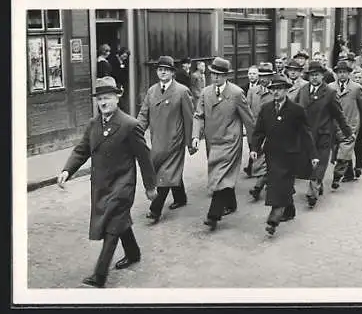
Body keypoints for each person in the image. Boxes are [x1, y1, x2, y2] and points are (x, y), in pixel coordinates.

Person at [57, 76, 157, 288]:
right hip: (101, 185)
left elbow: (144, 158)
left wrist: (150, 187)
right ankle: (133, 252)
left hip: (122, 185)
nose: (103, 103)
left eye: (108, 98)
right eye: (100, 99)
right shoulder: (94, 124)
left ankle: (99, 275)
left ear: (117, 98)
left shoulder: (130, 125)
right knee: (118, 221)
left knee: (112, 226)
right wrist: (67, 170)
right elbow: (82, 150)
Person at [191, 57, 255, 231]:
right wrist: (195, 136)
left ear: (226, 76)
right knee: (223, 175)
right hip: (213, 142)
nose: (215, 78)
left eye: (219, 75)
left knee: (220, 175)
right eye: (213, 74)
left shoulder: (236, 93)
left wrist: (253, 145)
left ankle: (213, 215)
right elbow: (198, 116)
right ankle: (231, 204)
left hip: (230, 141)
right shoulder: (205, 92)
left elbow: (249, 120)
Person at [250, 74, 318, 236]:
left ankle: (273, 219)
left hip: (290, 155)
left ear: (286, 90)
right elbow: (259, 131)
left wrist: (313, 154)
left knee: (281, 185)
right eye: (273, 89)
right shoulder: (266, 109)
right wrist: (254, 148)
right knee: (278, 184)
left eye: (279, 89)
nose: (276, 92)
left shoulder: (296, 110)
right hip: (272, 154)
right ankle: (289, 210)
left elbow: (306, 134)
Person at [136, 56, 194, 225]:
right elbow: (143, 114)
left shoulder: (182, 91)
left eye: (167, 70)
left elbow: (189, 118)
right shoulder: (151, 91)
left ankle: (155, 210)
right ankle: (180, 197)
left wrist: (191, 142)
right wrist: (136, 132)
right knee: (170, 171)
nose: (163, 72)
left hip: (175, 140)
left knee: (165, 174)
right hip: (157, 140)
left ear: (172, 73)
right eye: (160, 69)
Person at [295, 61, 354, 208]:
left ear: (322, 76)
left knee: (320, 163)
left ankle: (312, 192)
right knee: (309, 163)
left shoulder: (329, 93)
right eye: (311, 75)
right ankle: (318, 185)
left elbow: (339, 115)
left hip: (323, 134)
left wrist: (347, 132)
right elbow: (294, 110)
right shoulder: (302, 90)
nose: (314, 78)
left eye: (317, 75)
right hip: (306, 135)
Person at [328, 61, 362, 188]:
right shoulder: (330, 87)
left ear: (348, 74)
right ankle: (349, 174)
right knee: (337, 150)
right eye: (339, 73)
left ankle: (337, 176)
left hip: (351, 123)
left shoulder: (356, 88)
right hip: (334, 124)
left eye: (344, 72)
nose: (342, 75)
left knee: (345, 151)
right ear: (336, 74)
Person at [246, 62, 275, 197]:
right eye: (261, 76)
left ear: (271, 77)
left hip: (273, 131)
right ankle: (263, 184)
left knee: (269, 159)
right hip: (256, 131)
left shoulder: (276, 92)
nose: (263, 79)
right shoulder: (253, 91)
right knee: (259, 158)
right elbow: (247, 109)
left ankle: (258, 187)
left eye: (266, 76)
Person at [110, 47, 130, 112]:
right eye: (124, 56)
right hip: (115, 83)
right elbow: (114, 73)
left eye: (126, 57)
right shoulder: (113, 60)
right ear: (120, 54)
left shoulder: (124, 61)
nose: (125, 58)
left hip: (121, 83)